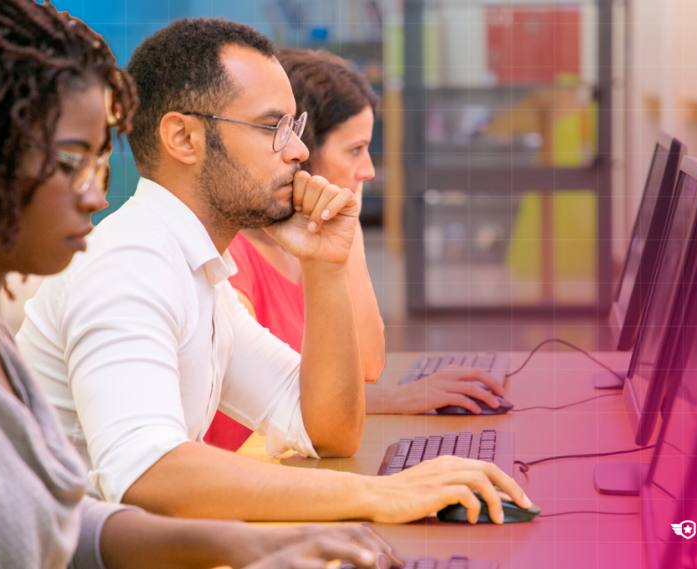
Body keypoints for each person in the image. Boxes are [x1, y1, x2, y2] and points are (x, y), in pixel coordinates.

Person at [0, 1, 397, 567]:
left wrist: (254, 544)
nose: (95, 195)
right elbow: (146, 473)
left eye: (98, 163)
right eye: (72, 161)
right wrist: (374, 494)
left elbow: (60, 524)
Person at [16, 17, 533, 523]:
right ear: (184, 139)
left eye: (294, 128)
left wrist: (325, 266)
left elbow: (328, 428)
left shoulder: (199, 271)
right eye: (272, 128)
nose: (300, 151)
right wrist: (375, 494)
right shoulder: (130, 265)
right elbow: (148, 476)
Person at [203, 48, 510, 452]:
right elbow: (281, 412)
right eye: (354, 150)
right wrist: (402, 398)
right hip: (251, 477)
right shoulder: (234, 264)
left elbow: (367, 365)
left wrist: (350, 236)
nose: (368, 170)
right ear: (302, 152)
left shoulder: (304, 250)